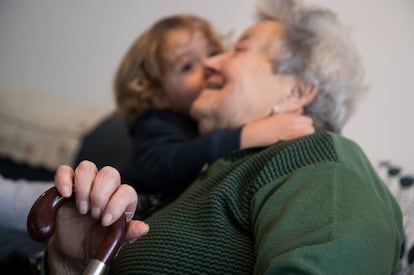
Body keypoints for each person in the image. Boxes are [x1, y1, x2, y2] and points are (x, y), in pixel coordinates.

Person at [39, 0, 404, 274]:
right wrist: (73, 263)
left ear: (297, 91)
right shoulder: (210, 171)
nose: (211, 64)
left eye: (239, 50)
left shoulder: (321, 160)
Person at [114, 14, 314, 199]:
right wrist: (246, 136)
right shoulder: (155, 125)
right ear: (158, 95)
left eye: (213, 52)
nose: (209, 64)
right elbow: (169, 166)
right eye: (188, 66)